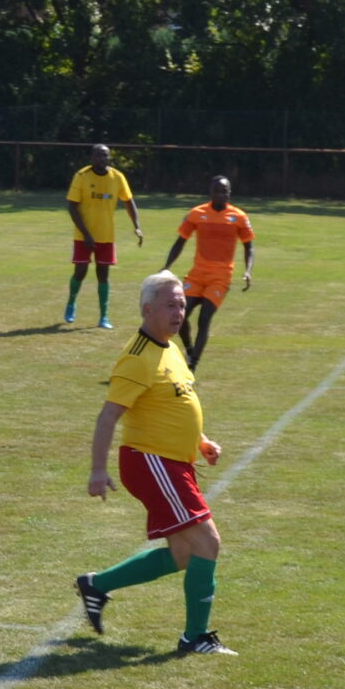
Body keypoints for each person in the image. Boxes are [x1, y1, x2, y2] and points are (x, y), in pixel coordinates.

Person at [75, 271, 234, 657]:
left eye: (181, 304)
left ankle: (97, 584)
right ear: (148, 310)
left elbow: (173, 403)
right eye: (170, 305)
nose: (179, 312)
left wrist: (201, 441)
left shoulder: (170, 348)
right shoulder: (137, 358)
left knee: (184, 554)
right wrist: (97, 470)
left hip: (173, 462)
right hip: (152, 462)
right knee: (207, 543)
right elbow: (108, 416)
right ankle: (195, 637)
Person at [162, 176, 254, 367]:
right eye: (217, 191)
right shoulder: (197, 213)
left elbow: (249, 247)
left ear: (230, 193)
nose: (221, 194)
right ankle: (190, 350)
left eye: (225, 191)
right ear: (210, 192)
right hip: (197, 276)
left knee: (204, 318)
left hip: (220, 278)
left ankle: (192, 365)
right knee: (180, 314)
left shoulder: (239, 217)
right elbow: (180, 241)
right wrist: (166, 267)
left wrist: (247, 271)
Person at [63, 143, 141, 328]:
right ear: (92, 157)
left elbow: (129, 201)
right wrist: (86, 234)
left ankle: (104, 317)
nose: (101, 159)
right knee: (80, 271)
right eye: (98, 155)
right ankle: (71, 303)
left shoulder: (117, 177)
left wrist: (137, 226)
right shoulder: (82, 176)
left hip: (106, 235)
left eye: (105, 155)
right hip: (83, 236)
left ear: (109, 157)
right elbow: (72, 207)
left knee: (103, 274)